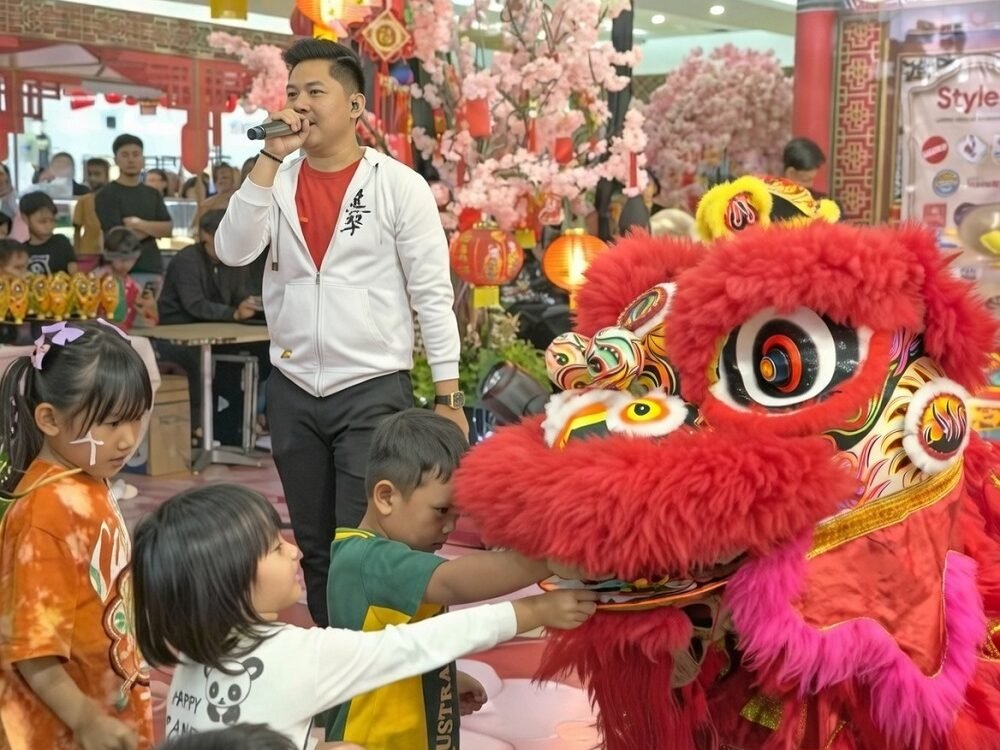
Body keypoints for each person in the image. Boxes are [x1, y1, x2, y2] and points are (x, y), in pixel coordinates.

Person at [216, 39, 468, 626]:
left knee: (369, 539)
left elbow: (432, 295)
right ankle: (337, 673)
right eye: (293, 93)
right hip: (294, 384)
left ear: (355, 107)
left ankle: (382, 669)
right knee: (315, 543)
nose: (300, 105)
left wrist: (450, 395)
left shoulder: (398, 185)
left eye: (315, 93)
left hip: (372, 386)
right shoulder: (275, 178)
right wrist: (268, 161)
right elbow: (231, 250)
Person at [133, 484, 596, 748]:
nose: (294, 550)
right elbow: (411, 645)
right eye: (276, 549)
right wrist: (531, 608)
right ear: (229, 582)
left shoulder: (198, 647)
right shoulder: (295, 654)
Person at [326, 409, 568, 749]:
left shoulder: (401, 556)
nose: (451, 526)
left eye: (458, 514)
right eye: (441, 511)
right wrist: (551, 561)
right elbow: (453, 581)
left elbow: (403, 648)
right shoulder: (366, 560)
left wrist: (440, 683)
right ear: (386, 497)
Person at [0, 321, 154, 749]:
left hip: (107, 709)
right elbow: (32, 650)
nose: (128, 440)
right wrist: (86, 720)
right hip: (66, 731)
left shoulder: (86, 476)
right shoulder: (46, 512)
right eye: (110, 423)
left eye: (136, 419)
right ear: (49, 418)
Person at [156, 209, 266, 432]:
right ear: (205, 235)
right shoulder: (187, 259)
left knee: (264, 353)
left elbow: (238, 297)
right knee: (199, 364)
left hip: (218, 332)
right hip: (179, 333)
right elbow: (194, 304)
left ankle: (231, 426)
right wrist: (233, 313)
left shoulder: (233, 261)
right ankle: (200, 428)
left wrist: (249, 305)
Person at [95, 134, 173, 292]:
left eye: (136, 154)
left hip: (151, 267)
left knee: (149, 315)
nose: (131, 160)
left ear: (143, 159)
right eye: (125, 155)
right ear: (116, 160)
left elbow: (167, 228)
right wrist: (152, 230)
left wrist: (139, 224)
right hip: (117, 269)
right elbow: (117, 237)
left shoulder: (153, 194)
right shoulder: (106, 194)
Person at [95, 227, 158, 331]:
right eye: (121, 259)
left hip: (128, 334)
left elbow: (149, 318)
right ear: (109, 256)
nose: (126, 264)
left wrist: (149, 309)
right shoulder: (98, 278)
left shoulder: (135, 287)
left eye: (131, 260)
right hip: (102, 334)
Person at [19, 191, 77, 275]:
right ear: (25, 219)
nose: (49, 226)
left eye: (52, 221)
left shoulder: (61, 242)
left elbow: (74, 275)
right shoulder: (21, 251)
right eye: (42, 221)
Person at [74, 157, 111, 257]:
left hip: (112, 252)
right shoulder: (83, 201)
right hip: (87, 252)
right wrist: (76, 253)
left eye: (97, 174)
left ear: (107, 175)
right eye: (90, 174)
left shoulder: (116, 199)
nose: (92, 178)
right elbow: (77, 230)